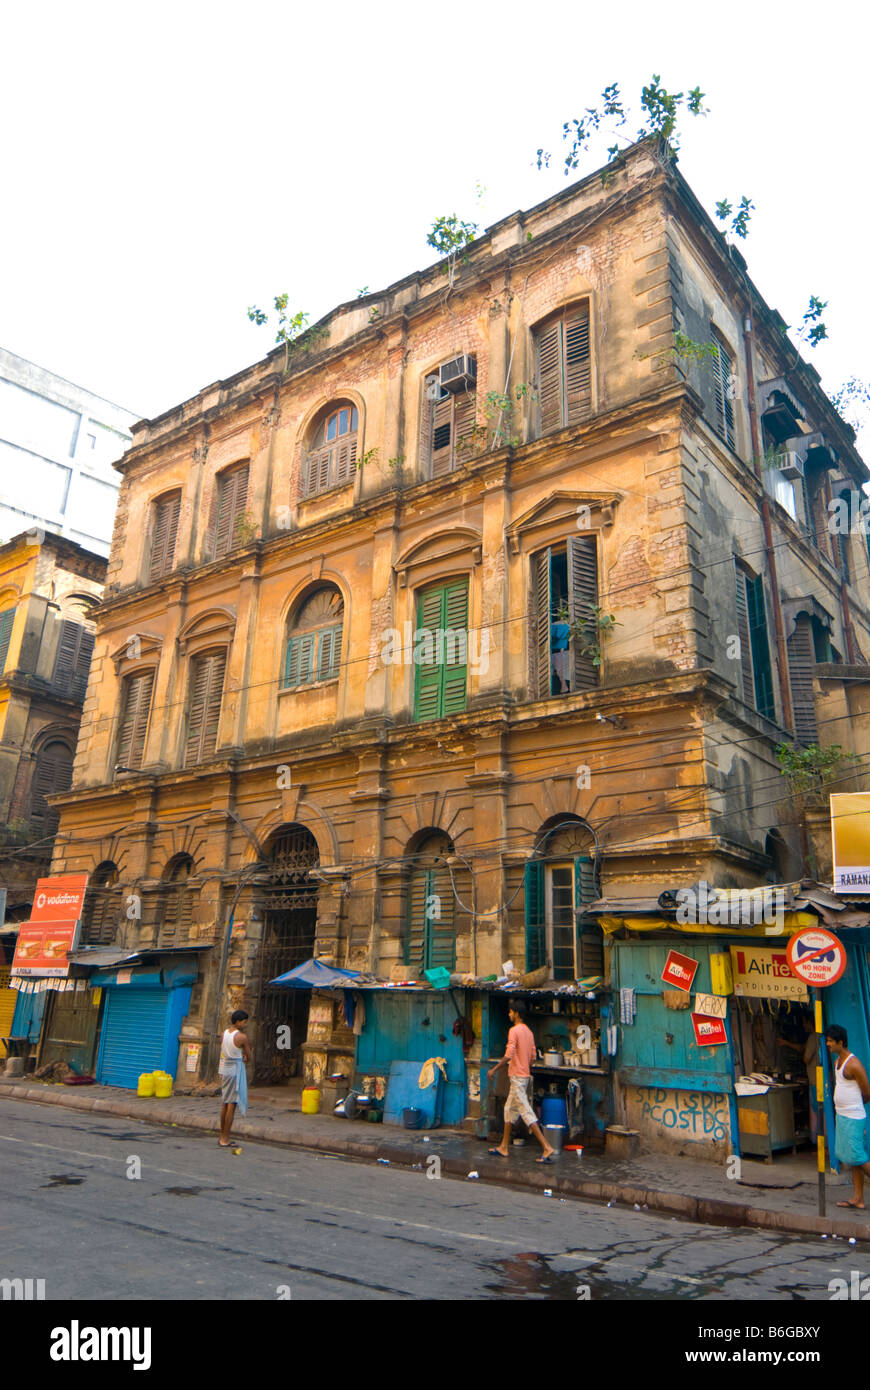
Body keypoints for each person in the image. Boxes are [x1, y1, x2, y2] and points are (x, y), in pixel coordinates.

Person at [487, 1001, 556, 1163]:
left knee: (525, 1111)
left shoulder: (514, 1031)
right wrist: (524, 1065)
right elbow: (533, 1057)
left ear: (517, 1013)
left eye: (511, 1012)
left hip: (517, 1077)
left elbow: (509, 1053)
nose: (509, 1014)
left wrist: (495, 1068)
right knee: (509, 1109)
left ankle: (547, 1147)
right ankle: (504, 1146)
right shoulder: (529, 1032)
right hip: (524, 1076)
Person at [824, 1024, 870, 1209]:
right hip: (842, 1116)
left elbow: (867, 1092)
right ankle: (857, 1198)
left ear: (840, 1042)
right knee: (852, 1159)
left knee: (858, 1156)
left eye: (830, 1041)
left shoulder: (854, 1065)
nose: (827, 1044)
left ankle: (858, 1197)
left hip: (853, 1117)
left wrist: (854, 1107)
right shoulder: (837, 1062)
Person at [779, 1013, 820, 1140]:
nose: (803, 1025)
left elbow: (806, 1058)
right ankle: (821, 1145)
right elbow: (802, 1048)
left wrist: (802, 1056)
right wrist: (787, 1043)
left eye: (804, 1022)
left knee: (818, 1111)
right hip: (817, 1080)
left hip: (815, 1080)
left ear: (810, 1022)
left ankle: (822, 1146)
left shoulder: (813, 1037)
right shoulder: (817, 1037)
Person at [218, 1010, 251, 1147]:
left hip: (225, 1068)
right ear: (238, 1021)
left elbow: (224, 1051)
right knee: (232, 1105)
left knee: (225, 1104)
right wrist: (245, 1056)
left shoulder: (224, 1034)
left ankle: (222, 1135)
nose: (245, 1024)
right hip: (235, 1071)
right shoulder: (242, 1037)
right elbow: (249, 1057)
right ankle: (225, 1138)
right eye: (244, 1022)